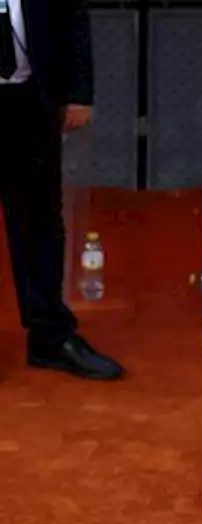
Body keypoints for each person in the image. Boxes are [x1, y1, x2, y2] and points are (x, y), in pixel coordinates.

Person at [0, 0, 123, 380]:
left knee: (39, 218)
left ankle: (50, 336)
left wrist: (80, 92)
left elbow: (72, 16)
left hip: (31, 99)